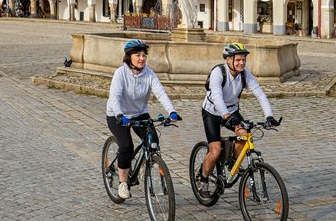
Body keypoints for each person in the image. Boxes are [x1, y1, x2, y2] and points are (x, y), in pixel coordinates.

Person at [196, 43, 277, 191]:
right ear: (228, 60)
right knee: (215, 150)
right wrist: (225, 115)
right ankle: (203, 178)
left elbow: (260, 94)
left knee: (245, 134)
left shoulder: (245, 74)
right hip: (212, 112)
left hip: (231, 112)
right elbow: (217, 96)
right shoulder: (218, 72)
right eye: (238, 60)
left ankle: (232, 160)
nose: (241, 63)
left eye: (243, 60)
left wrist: (269, 116)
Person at [106, 39, 180, 199]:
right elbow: (114, 97)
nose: (142, 58)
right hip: (117, 115)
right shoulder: (121, 73)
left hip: (139, 113)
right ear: (129, 57)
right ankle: (123, 183)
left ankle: (144, 164)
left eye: (144, 55)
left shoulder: (149, 74)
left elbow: (160, 93)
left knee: (153, 141)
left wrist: (172, 111)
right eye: (137, 55)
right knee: (126, 146)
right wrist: (119, 114)